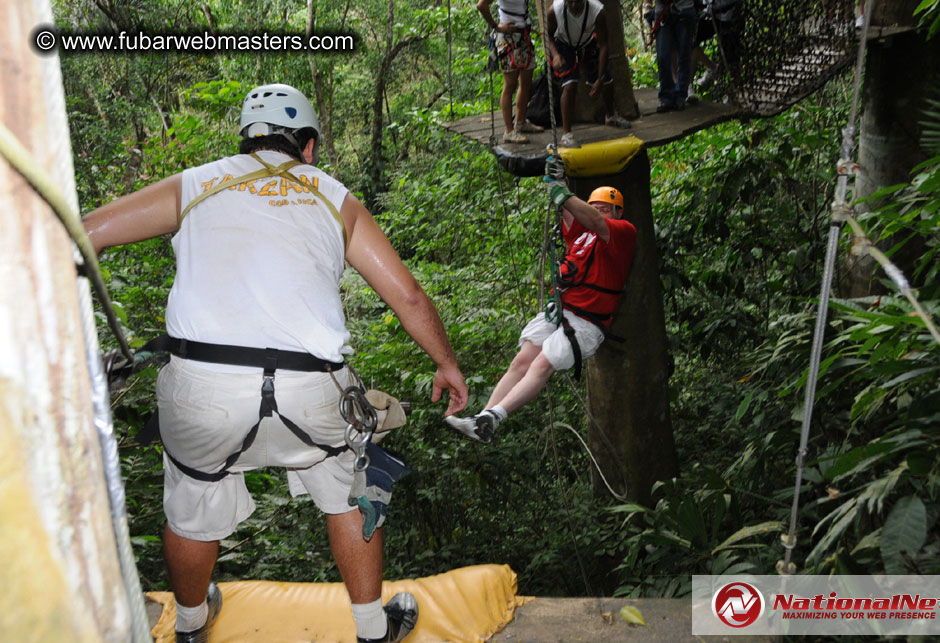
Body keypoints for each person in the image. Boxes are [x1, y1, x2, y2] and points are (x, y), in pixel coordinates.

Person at [83, 83, 469, 643]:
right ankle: (371, 629)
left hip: (203, 389)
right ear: (307, 147)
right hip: (311, 389)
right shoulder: (333, 197)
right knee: (352, 484)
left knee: (191, 502)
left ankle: (190, 624)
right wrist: (446, 363)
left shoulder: (196, 184)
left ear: (247, 140)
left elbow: (86, 234)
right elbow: (408, 297)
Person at [445, 161, 636, 442]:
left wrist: (563, 192)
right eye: (594, 207)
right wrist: (557, 183)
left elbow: (594, 220)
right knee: (521, 361)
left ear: (618, 213)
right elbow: (572, 213)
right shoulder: (583, 234)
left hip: (586, 322)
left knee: (542, 364)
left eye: (605, 209)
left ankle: (494, 417)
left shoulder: (623, 233)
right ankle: (483, 420)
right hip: (562, 311)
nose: (598, 212)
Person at [545, 0, 632, 148]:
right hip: (564, 44)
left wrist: (600, 77)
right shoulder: (554, 11)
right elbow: (549, 37)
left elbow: (604, 45)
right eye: (570, 2)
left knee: (606, 80)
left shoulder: (597, 11)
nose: (574, 5)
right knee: (570, 84)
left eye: (578, 1)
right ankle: (566, 134)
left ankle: (610, 116)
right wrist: (556, 55)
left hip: (587, 43)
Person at [479, 0, 545, 144]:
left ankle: (521, 122)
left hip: (523, 36)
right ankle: (509, 131)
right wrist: (496, 27)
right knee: (510, 85)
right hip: (509, 38)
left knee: (526, 82)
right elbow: (481, 5)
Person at [652, 0, 698, 112]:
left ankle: (680, 96)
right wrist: (648, 7)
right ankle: (666, 97)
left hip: (684, 10)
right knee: (663, 55)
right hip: (662, 12)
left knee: (684, 54)